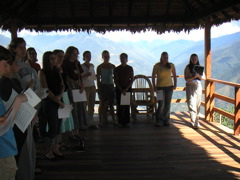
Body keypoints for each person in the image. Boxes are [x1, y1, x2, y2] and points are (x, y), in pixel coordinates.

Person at [0, 45, 28, 180]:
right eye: (5, 64)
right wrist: (17, 102)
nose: (7, 68)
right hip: (3, 150)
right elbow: (2, 126)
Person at [38, 51, 65, 160]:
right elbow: (46, 89)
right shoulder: (42, 72)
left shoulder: (57, 70)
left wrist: (60, 96)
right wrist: (57, 100)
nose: (54, 60)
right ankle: (48, 151)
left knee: (58, 126)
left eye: (54, 58)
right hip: (49, 102)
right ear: (46, 60)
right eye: (51, 59)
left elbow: (62, 85)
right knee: (53, 127)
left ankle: (55, 148)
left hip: (58, 99)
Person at [62, 46, 88, 137]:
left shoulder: (77, 63)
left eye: (76, 54)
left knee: (79, 108)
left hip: (78, 87)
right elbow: (67, 78)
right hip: (70, 87)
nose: (75, 55)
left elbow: (80, 75)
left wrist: (82, 85)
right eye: (73, 53)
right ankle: (71, 130)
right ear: (68, 53)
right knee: (72, 108)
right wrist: (78, 84)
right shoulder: (65, 63)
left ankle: (77, 129)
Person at [152, 51, 177, 126]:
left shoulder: (171, 65)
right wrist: (154, 86)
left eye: (166, 57)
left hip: (169, 87)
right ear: (161, 57)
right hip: (159, 87)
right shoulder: (157, 66)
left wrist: (175, 84)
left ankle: (166, 120)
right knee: (161, 104)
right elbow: (153, 76)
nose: (165, 59)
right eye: (164, 57)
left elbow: (174, 75)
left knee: (167, 104)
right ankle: (159, 120)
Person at [184, 53, 205, 129]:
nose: (194, 60)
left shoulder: (199, 67)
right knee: (191, 103)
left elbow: (204, 78)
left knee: (197, 104)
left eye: (195, 59)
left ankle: (196, 121)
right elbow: (186, 79)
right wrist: (194, 77)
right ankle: (193, 121)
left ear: (197, 59)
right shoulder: (187, 67)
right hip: (190, 86)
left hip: (198, 87)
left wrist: (198, 76)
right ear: (190, 59)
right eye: (193, 59)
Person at [96, 50, 116, 126]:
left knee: (111, 104)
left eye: (107, 56)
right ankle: (100, 120)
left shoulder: (113, 66)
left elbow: (115, 78)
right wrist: (99, 88)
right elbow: (98, 79)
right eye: (105, 56)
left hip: (110, 86)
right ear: (102, 57)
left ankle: (114, 119)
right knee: (102, 103)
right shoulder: (99, 67)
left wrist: (115, 87)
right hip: (103, 86)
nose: (106, 58)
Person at [114, 53, 134, 127]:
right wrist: (121, 89)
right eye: (121, 58)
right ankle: (120, 121)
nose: (122, 59)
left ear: (126, 59)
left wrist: (126, 89)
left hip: (127, 89)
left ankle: (126, 122)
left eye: (123, 58)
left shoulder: (130, 68)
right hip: (119, 89)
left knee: (126, 106)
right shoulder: (117, 69)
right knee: (119, 106)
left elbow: (131, 79)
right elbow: (115, 80)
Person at [81, 51, 97, 128]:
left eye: (89, 56)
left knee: (92, 104)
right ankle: (85, 121)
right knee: (85, 104)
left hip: (92, 86)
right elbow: (79, 76)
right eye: (87, 56)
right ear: (84, 57)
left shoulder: (92, 65)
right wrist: (85, 75)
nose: (89, 57)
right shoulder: (81, 66)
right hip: (85, 86)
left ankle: (91, 120)